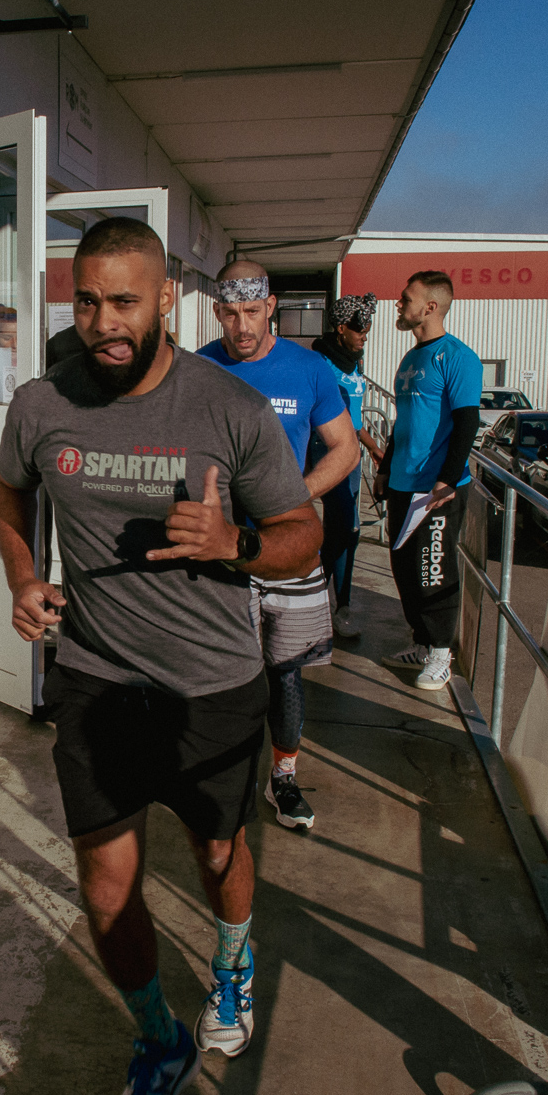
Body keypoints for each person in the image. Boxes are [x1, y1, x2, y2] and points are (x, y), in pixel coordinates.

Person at [0, 218, 320, 1095]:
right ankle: (158, 1038)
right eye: (87, 301)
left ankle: (235, 962)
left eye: (123, 301)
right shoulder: (41, 402)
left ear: (169, 299)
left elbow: (303, 536)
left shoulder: (230, 409)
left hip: (212, 689)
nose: (103, 323)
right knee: (104, 888)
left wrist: (236, 544)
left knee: (218, 857)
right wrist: (23, 576)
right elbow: (7, 488)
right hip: (95, 680)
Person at [195, 259, 358, 832]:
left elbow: (346, 449)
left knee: (284, 671)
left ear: (271, 308)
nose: (241, 327)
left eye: (252, 312)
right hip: (217, 549)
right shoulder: (199, 368)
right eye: (230, 313)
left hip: (287, 548)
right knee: (222, 672)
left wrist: (293, 497)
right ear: (218, 311)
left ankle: (282, 778)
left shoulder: (310, 369)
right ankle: (222, 776)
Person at [374, 271, 482, 691]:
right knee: (403, 568)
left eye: (406, 299)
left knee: (433, 569)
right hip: (403, 481)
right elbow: (404, 423)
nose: (398, 305)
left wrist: (447, 480)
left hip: (436, 487)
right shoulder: (410, 358)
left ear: (430, 307)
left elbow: (467, 423)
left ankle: (441, 653)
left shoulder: (457, 357)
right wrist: (384, 469)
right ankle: (421, 643)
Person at [311, 292, 386, 638]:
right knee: (340, 527)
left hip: (353, 452)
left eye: (367, 331)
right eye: (360, 330)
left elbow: (354, 419)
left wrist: (373, 447)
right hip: (325, 450)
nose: (364, 336)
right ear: (341, 328)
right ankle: (315, 598)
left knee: (349, 532)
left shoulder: (354, 361)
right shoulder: (320, 363)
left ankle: (341, 605)